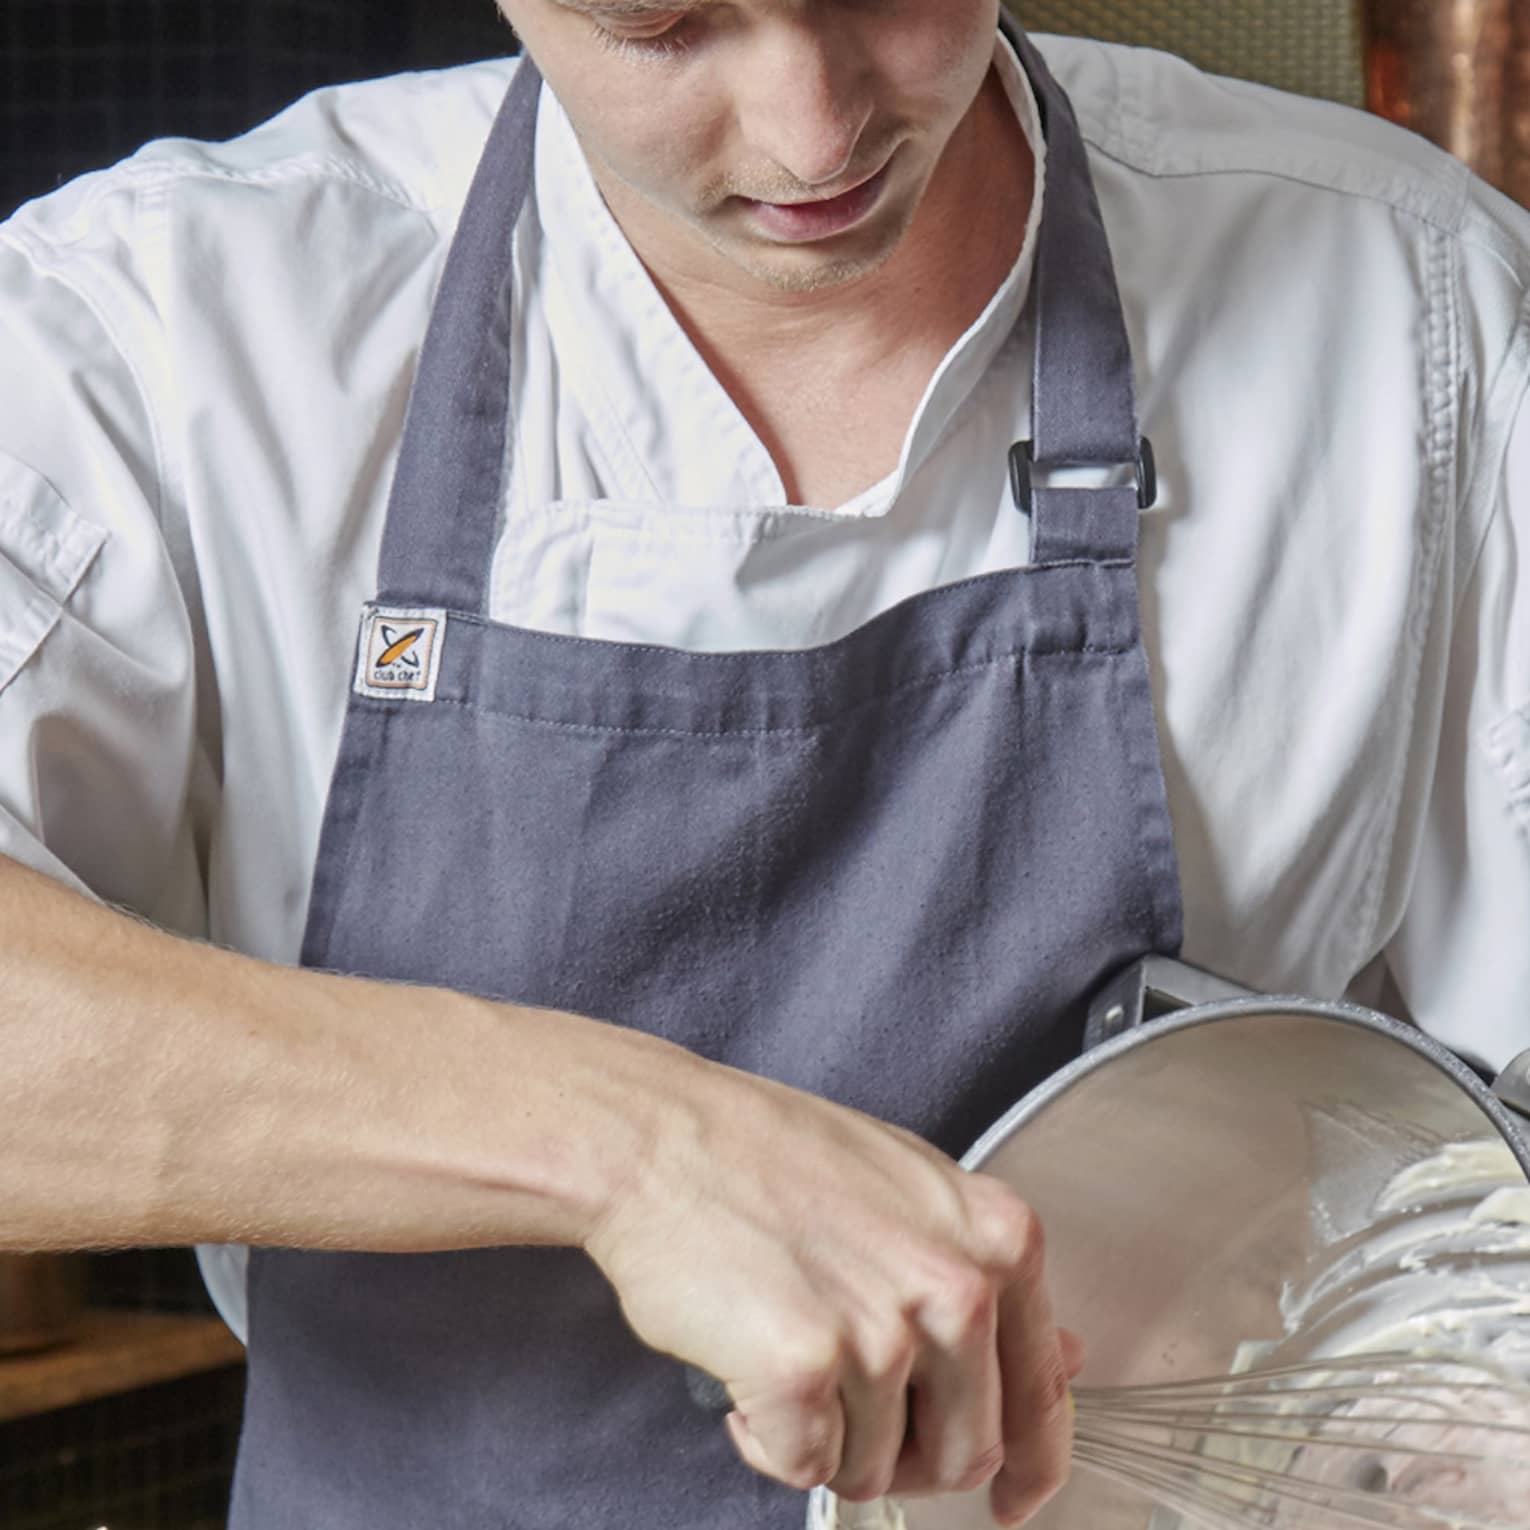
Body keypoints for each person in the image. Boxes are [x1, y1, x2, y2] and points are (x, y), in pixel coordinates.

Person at [0, 2, 1525, 1527]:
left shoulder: (1413, 313)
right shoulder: (170, 327)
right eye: (664, 23)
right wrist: (624, 1144)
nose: (813, 133)